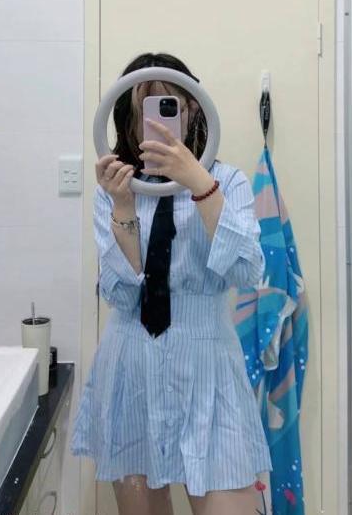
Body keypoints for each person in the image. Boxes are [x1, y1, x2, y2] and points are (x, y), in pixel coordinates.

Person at [70, 52, 273, 515]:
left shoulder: (227, 181)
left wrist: (198, 182)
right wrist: (123, 207)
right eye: (144, 110)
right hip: (132, 369)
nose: (155, 122)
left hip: (209, 368)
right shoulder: (114, 190)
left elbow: (247, 271)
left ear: (193, 109)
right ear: (128, 119)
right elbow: (121, 294)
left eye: (168, 107)